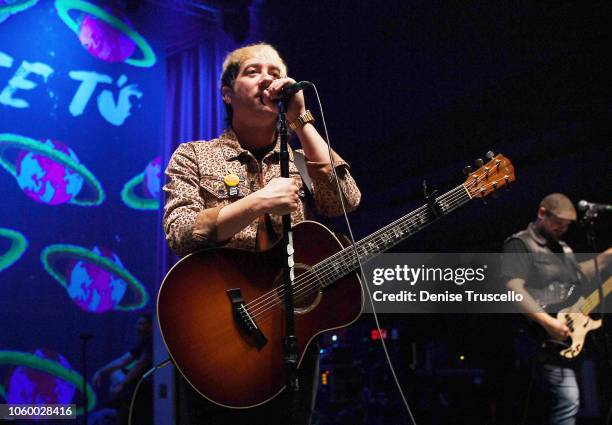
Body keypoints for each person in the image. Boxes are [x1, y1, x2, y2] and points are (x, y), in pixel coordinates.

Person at [163, 43, 361, 424]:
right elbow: (180, 232)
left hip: (291, 334)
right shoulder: (193, 155)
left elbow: (346, 201)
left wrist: (302, 120)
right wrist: (257, 202)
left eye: (275, 72)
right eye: (254, 71)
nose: (268, 78)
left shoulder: (301, 156)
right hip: (219, 330)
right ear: (227, 92)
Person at [502, 193, 612, 425]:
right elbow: (513, 287)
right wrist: (548, 322)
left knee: (565, 402)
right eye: (558, 223)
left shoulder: (563, 249)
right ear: (542, 213)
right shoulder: (520, 244)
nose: (562, 229)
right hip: (536, 338)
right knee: (567, 399)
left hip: (563, 338)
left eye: (567, 226)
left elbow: (580, 275)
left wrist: (606, 258)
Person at [92, 314, 153, 425]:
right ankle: (120, 400)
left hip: (147, 386)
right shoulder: (143, 343)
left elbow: (141, 364)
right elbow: (123, 361)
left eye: (141, 324)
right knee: (115, 373)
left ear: (151, 326)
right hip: (135, 386)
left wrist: (123, 384)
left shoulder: (153, 342)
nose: (137, 327)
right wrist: (100, 372)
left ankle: (121, 398)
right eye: (137, 324)